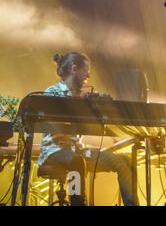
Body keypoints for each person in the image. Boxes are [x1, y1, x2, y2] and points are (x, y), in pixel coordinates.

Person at [36, 52, 138, 206]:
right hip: (55, 151)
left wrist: (97, 107)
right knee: (77, 160)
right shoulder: (53, 92)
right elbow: (57, 133)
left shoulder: (83, 97)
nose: (88, 75)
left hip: (79, 151)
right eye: (86, 70)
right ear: (74, 69)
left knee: (125, 162)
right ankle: (78, 203)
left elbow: (87, 129)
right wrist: (80, 106)